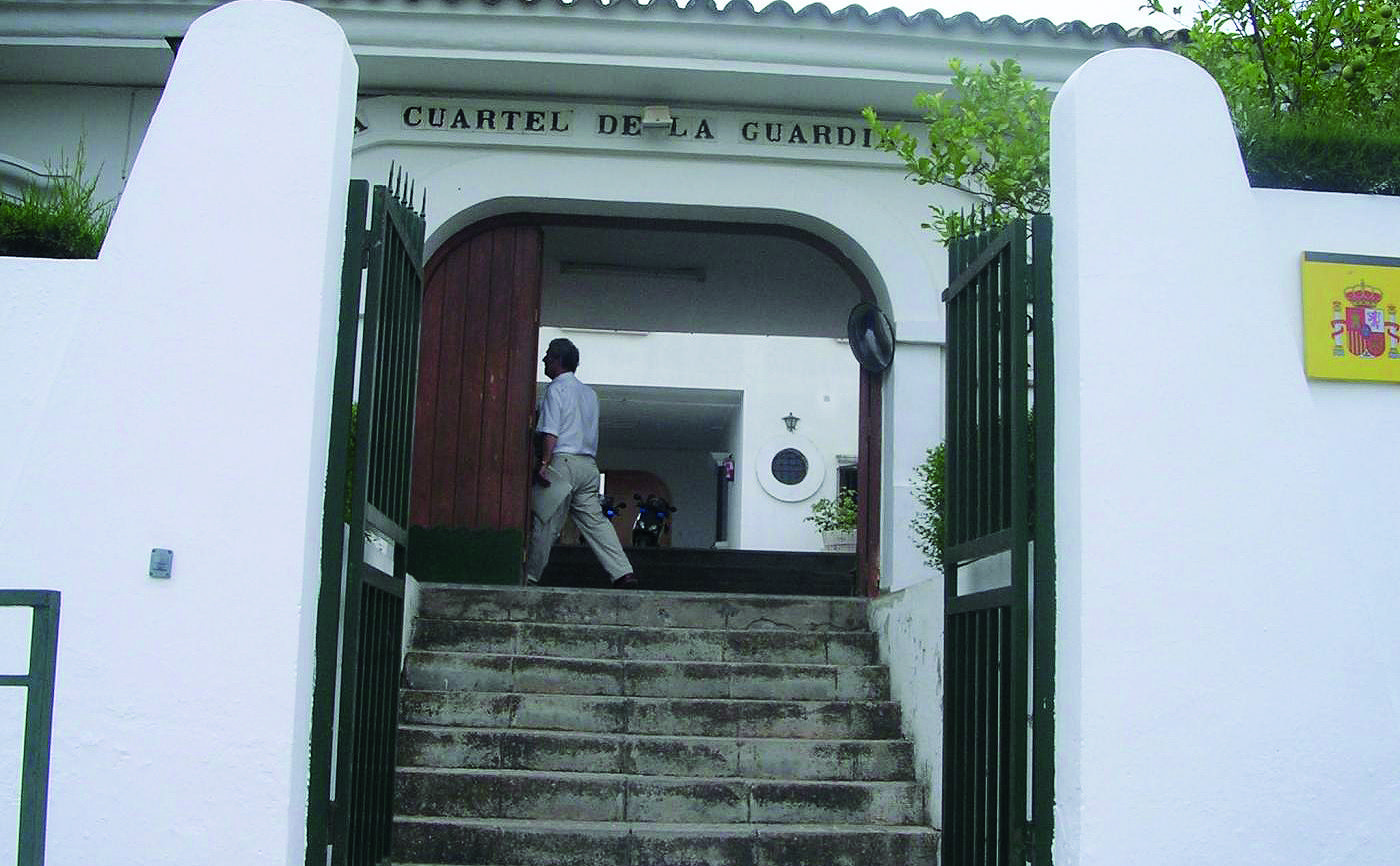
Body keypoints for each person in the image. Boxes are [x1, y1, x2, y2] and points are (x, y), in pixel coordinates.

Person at [524, 338, 638, 588]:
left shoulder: (556, 389)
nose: (544, 360)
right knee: (596, 522)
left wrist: (544, 462)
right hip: (588, 465)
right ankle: (623, 572)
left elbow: (551, 431)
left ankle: (530, 577)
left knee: (545, 522)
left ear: (557, 360)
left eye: (548, 356)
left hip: (562, 463)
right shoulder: (590, 394)